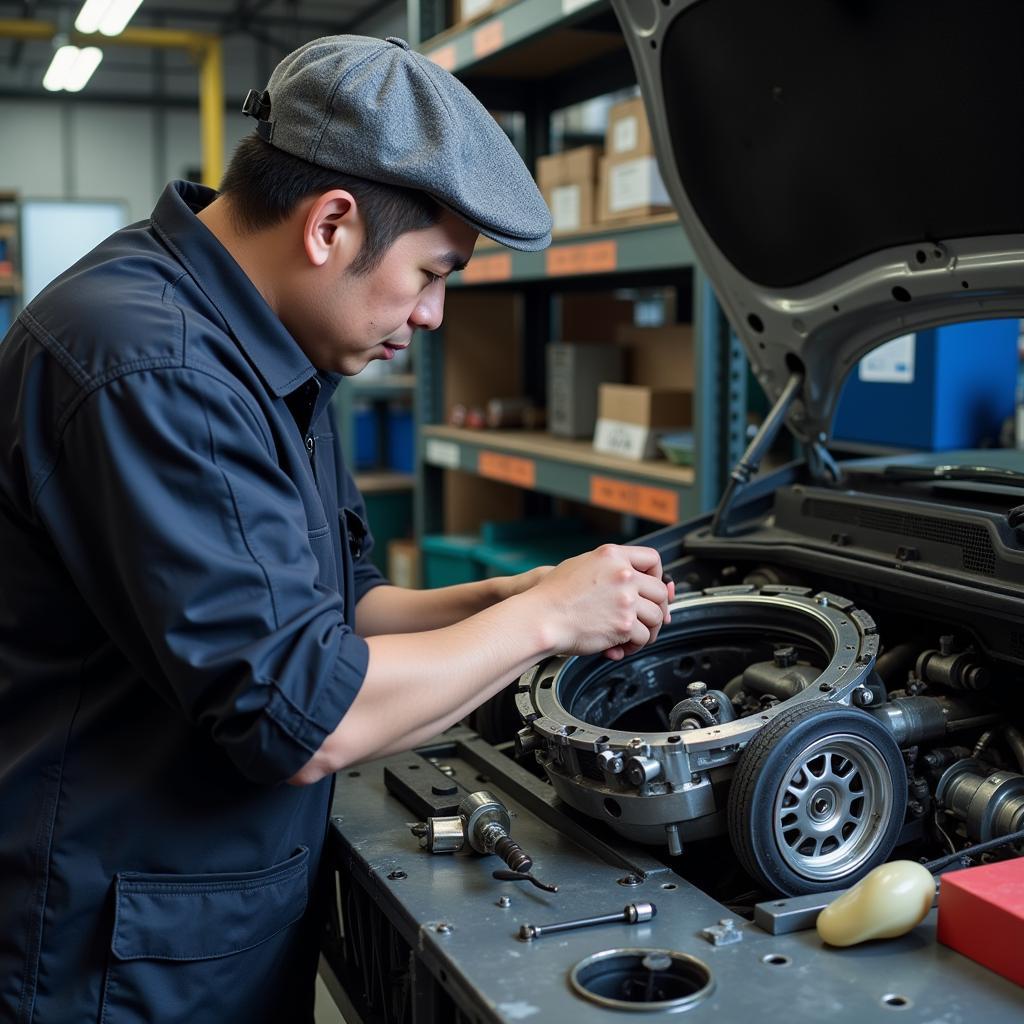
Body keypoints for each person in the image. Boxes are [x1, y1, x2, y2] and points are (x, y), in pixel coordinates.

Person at [0, 35, 671, 1024]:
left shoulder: (262, 344)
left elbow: (342, 604)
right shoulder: (151, 365)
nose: (434, 314)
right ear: (330, 225)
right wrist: (545, 624)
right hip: (113, 960)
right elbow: (301, 712)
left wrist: (505, 597)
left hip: (208, 919)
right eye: (431, 272)